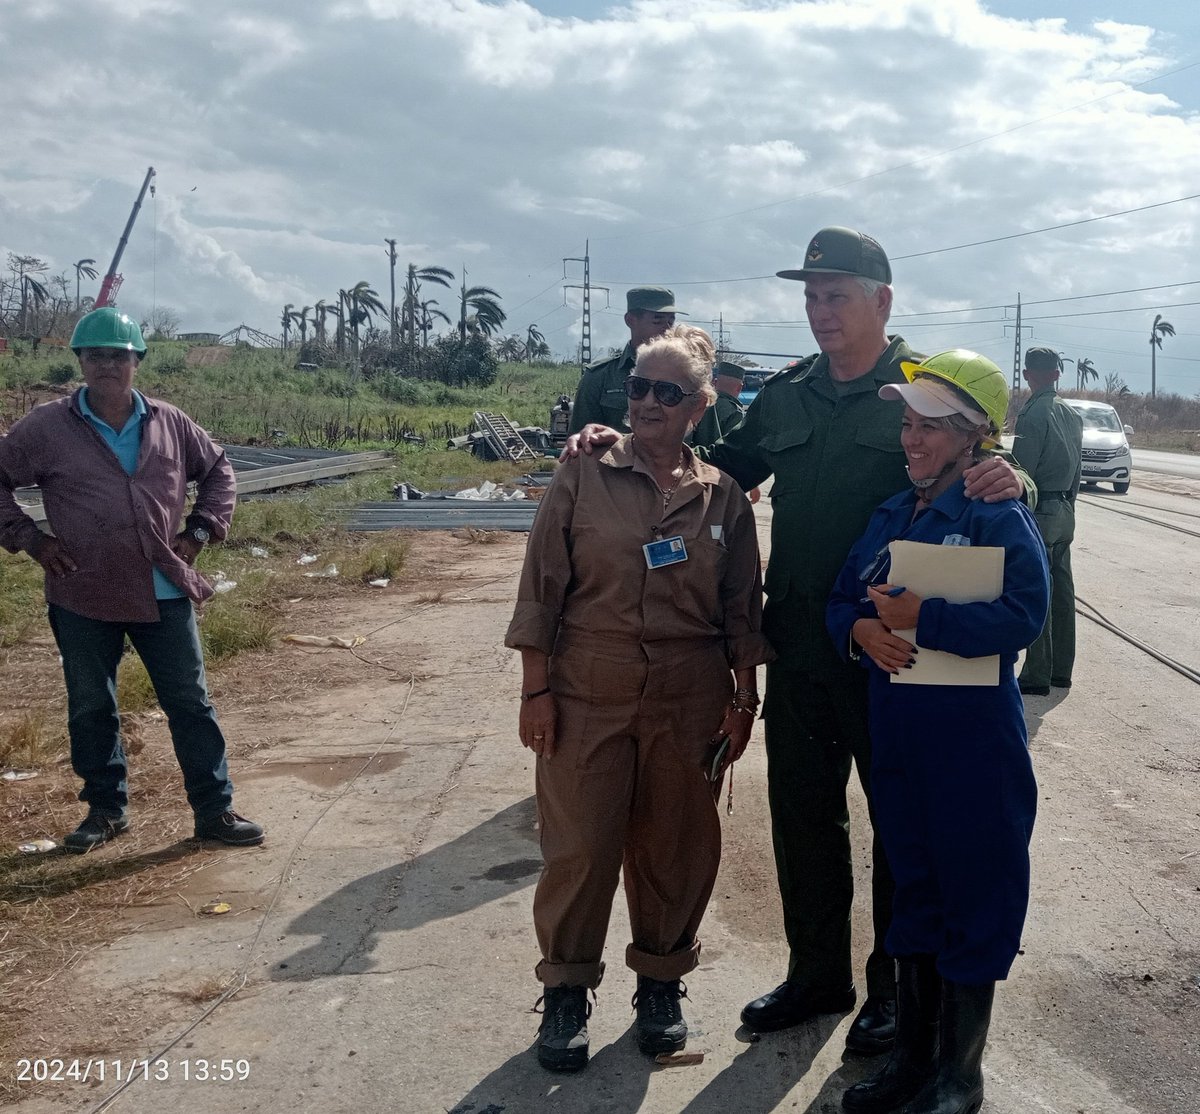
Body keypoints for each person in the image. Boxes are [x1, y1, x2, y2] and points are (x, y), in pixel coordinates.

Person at [566, 227, 1031, 1055]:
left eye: (837, 295)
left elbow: (979, 454)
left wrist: (1015, 474)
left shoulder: (918, 391)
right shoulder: (788, 395)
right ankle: (819, 973)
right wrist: (622, 443)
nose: (820, 312)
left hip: (896, 652)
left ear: (881, 303)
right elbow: (718, 466)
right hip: (807, 644)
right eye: (811, 296)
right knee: (803, 816)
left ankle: (892, 992)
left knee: (902, 827)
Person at [505, 324, 774, 1072]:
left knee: (674, 848)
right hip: (589, 683)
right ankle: (565, 992)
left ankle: (661, 985)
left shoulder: (723, 496)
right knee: (580, 848)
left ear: (699, 405)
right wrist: (536, 690)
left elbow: (740, 610)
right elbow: (541, 589)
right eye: (637, 387)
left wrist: (742, 700)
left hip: (690, 698)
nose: (646, 402)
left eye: (666, 392)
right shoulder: (583, 472)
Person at [826, 350, 1048, 1114]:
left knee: (974, 895)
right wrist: (861, 630)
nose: (910, 440)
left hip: (972, 742)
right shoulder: (892, 516)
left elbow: (1025, 615)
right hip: (901, 738)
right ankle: (913, 1064)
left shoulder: (996, 512)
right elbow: (838, 600)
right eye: (907, 424)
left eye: (926, 427)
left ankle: (961, 1077)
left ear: (969, 436)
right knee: (914, 893)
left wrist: (928, 618)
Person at [0, 308, 264, 853]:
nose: (107, 366)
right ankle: (106, 811)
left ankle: (214, 813)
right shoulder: (46, 428)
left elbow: (218, 470)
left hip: (163, 590)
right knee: (92, 705)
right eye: (96, 356)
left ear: (136, 362)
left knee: (189, 702)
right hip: (83, 592)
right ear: (80, 362)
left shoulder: (169, 422)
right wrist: (32, 540)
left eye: (119, 356)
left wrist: (201, 527)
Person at [1011, 346, 1083, 696]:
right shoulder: (1071, 413)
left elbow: (1023, 472)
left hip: (1041, 511)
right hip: (1066, 508)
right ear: (1057, 373)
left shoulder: (1033, 413)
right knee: (1063, 592)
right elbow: (1078, 471)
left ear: (1027, 375)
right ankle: (1060, 671)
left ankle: (1036, 674)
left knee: (1039, 590)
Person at [567, 286, 683, 434]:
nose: (667, 330)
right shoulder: (600, 376)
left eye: (671, 322)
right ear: (630, 320)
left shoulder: (685, 375)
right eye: (657, 321)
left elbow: (706, 447)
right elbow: (580, 445)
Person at [691, 360, 748, 448]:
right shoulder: (735, 413)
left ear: (714, 382)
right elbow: (735, 449)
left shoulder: (697, 403)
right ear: (740, 388)